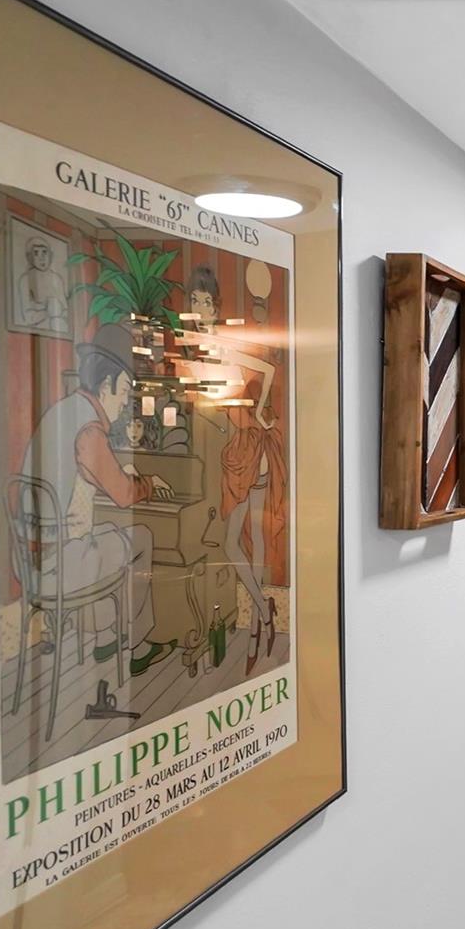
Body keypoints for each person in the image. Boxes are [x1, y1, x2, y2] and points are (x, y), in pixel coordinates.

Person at [17, 321, 176, 678]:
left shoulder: (64, 410)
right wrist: (150, 482)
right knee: (141, 538)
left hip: (31, 562)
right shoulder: (90, 429)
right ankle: (137, 646)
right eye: (125, 391)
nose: (125, 403)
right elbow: (124, 494)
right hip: (62, 567)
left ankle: (106, 636)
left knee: (106, 533)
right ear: (107, 385)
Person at [185, 265, 288, 676]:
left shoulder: (219, 344)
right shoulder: (196, 347)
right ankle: (261, 619)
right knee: (251, 537)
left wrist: (259, 411)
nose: (200, 307)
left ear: (215, 306)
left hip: (248, 446)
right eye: (195, 300)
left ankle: (261, 611)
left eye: (206, 301)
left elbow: (268, 370)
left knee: (235, 541)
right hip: (238, 446)